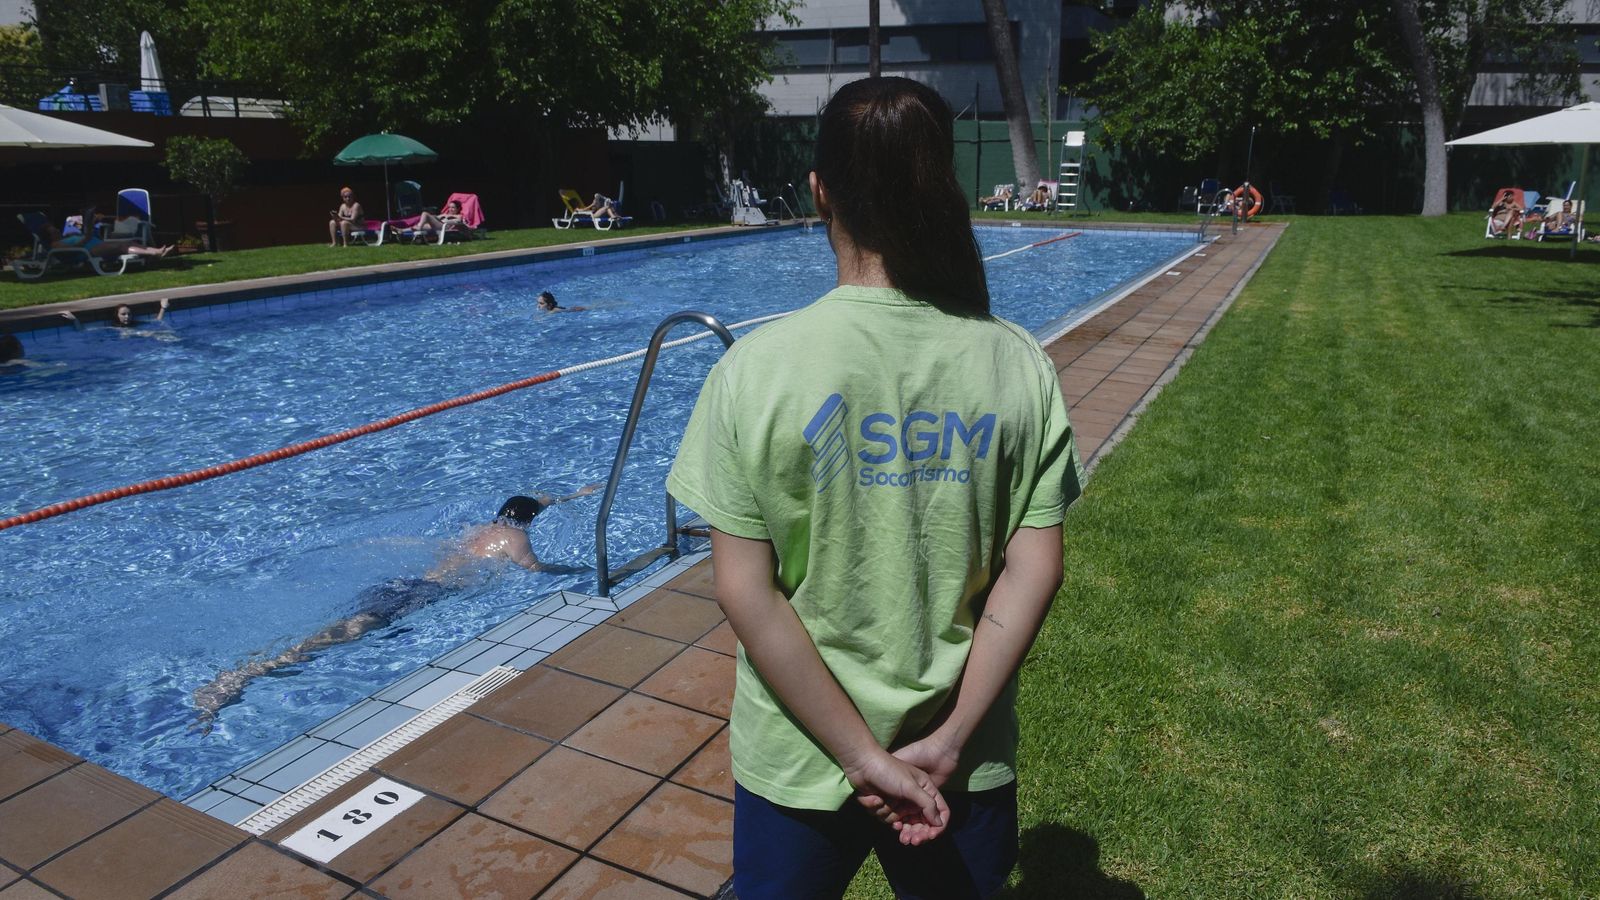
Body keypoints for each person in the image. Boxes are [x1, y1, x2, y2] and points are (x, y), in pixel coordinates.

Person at [666, 77, 1082, 899]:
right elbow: (1036, 568)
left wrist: (859, 757)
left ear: (818, 191)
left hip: (799, 758)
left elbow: (746, 593)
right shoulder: (1016, 362)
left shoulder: (757, 371)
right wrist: (952, 738)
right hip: (957, 758)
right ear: (943, 188)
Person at [191, 486, 600, 731]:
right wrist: (579, 569)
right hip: (419, 597)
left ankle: (253, 666)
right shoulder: (514, 538)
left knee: (338, 628)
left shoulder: (480, 529)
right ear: (528, 521)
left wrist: (568, 496)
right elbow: (533, 568)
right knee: (341, 635)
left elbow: (532, 501)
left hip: (404, 583)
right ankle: (245, 675)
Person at [42, 220, 172, 260]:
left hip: (96, 244)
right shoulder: (55, 245)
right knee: (122, 246)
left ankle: (158, 250)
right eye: (54, 231)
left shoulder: (67, 237)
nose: (57, 230)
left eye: (56, 228)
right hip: (90, 250)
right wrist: (86, 239)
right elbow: (73, 250)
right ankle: (155, 253)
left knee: (129, 243)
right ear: (50, 237)